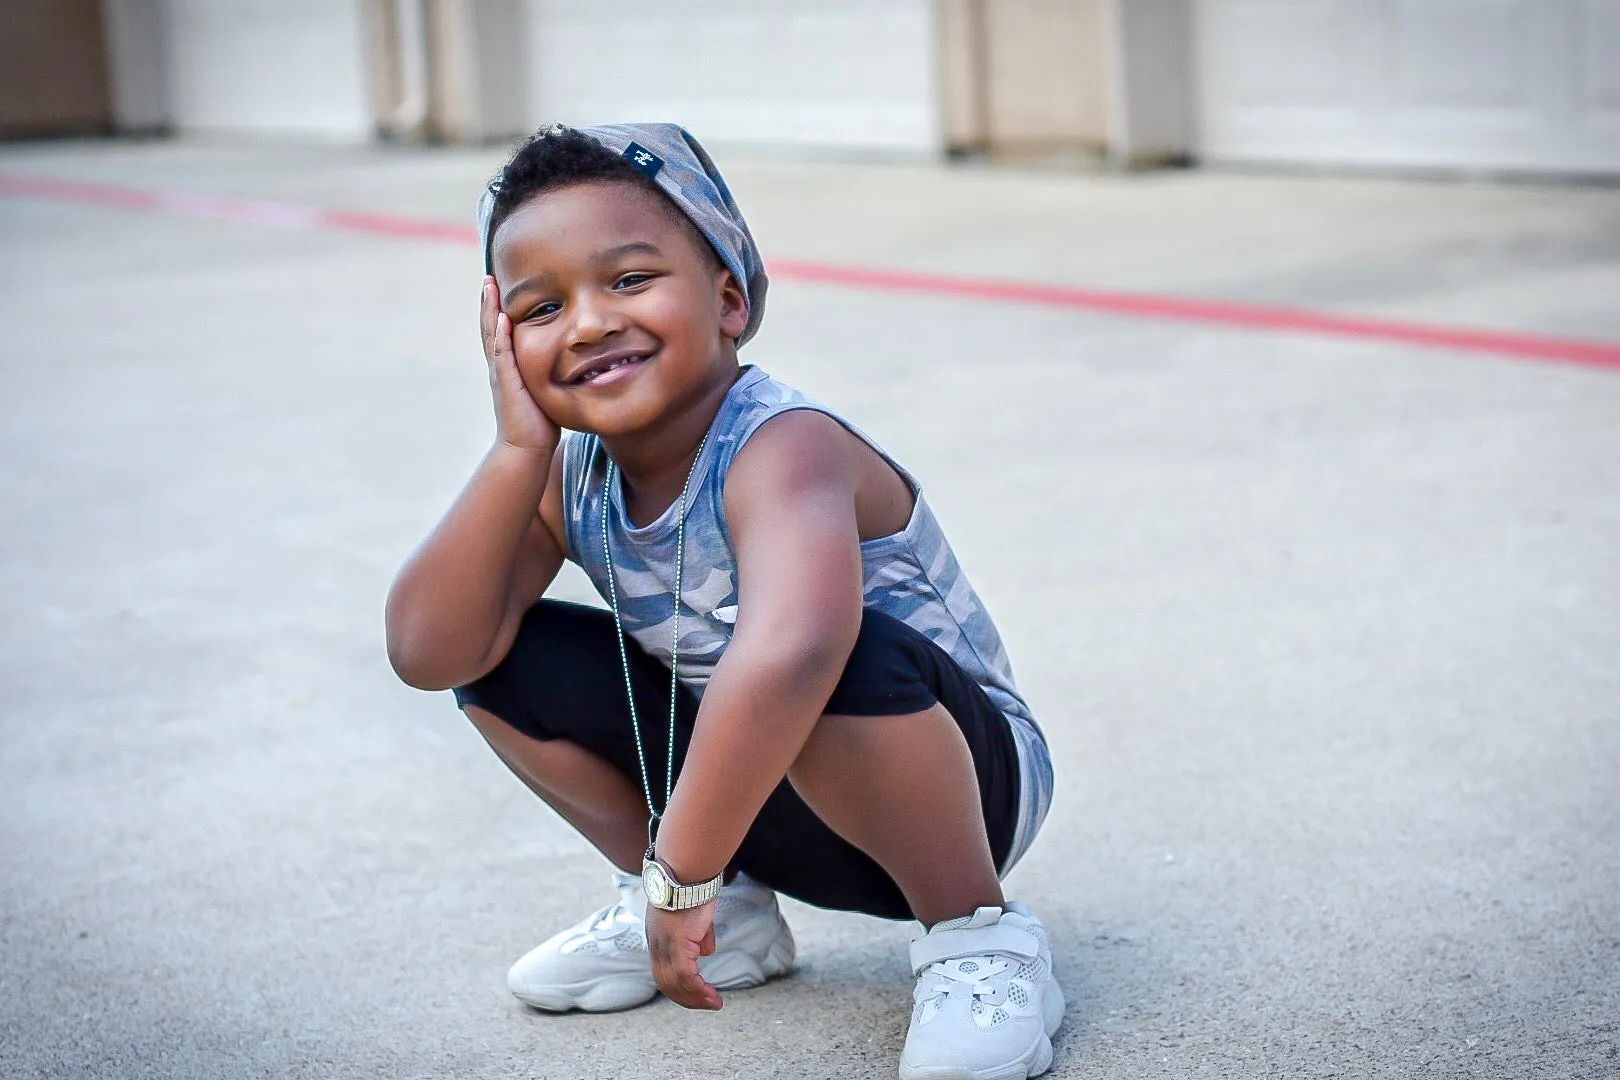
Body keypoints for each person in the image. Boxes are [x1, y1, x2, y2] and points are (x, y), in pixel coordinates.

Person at [385, 123, 1060, 1080]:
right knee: (506, 655)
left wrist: (680, 871)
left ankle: (979, 939)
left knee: (831, 653)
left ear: (730, 298)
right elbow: (428, 650)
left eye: (628, 281)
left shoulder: (784, 446)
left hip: (959, 791)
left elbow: (792, 654)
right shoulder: (566, 477)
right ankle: (732, 916)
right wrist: (516, 453)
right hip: (756, 796)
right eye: (540, 308)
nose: (587, 324)